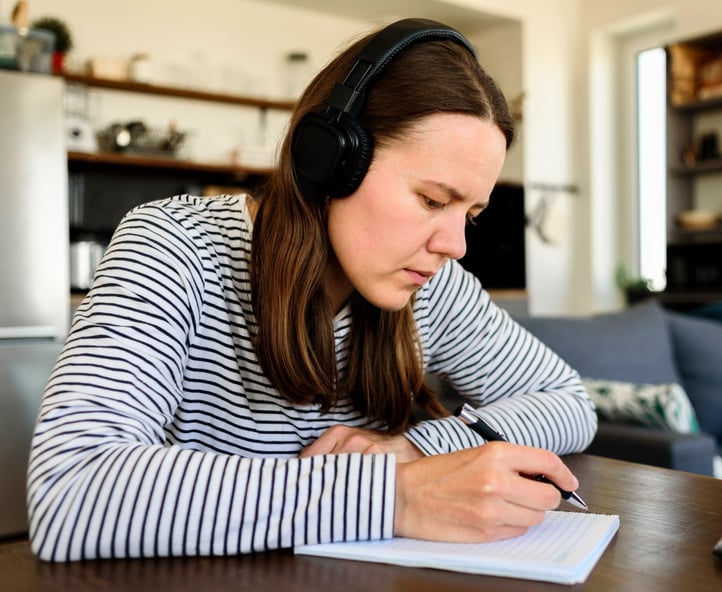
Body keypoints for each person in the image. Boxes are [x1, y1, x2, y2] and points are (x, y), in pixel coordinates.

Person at [27, 18, 597, 562]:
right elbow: (69, 489)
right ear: (330, 160)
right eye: (431, 200)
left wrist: (420, 449)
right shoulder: (173, 246)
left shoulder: (434, 285)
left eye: (469, 214)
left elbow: (569, 403)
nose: (455, 245)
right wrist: (397, 495)